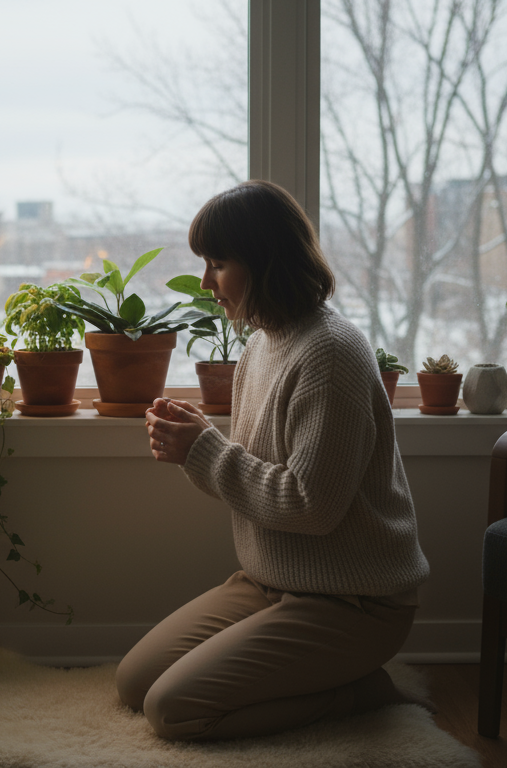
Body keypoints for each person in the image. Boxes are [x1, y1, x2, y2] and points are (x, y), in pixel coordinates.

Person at [116, 179, 431, 742]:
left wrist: (204, 450)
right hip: (268, 583)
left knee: (174, 711)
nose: (208, 282)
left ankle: (359, 691)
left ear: (264, 262)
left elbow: (312, 507)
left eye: (217, 263)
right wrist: (199, 441)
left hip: (355, 603)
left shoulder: (330, 353)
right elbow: (258, 470)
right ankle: (316, 675)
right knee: (134, 683)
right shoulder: (262, 342)